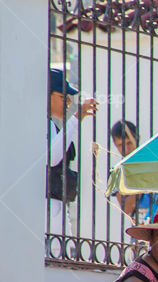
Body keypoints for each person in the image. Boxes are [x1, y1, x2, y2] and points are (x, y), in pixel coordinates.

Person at [48, 68, 97, 231]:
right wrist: (76, 118)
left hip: (57, 211)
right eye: (63, 97)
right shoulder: (42, 123)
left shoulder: (50, 124)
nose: (68, 102)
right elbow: (51, 158)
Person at [110, 120, 158, 224]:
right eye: (120, 145)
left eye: (129, 143)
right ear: (115, 144)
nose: (126, 149)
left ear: (137, 138)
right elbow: (127, 209)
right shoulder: (118, 172)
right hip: (141, 228)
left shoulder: (155, 162)